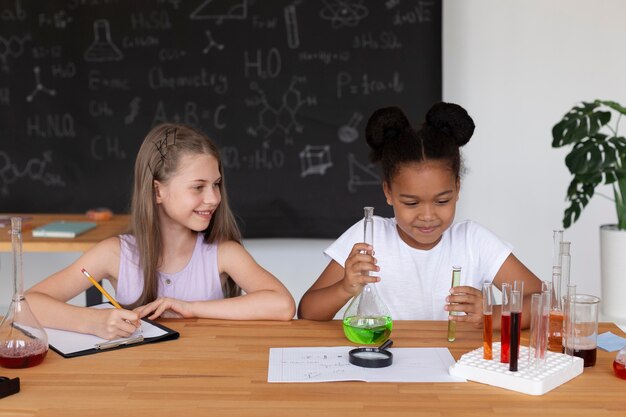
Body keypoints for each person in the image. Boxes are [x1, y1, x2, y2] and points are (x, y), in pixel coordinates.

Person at [26, 123, 296, 340]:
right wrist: (93, 321)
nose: (214, 198)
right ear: (158, 191)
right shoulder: (115, 253)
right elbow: (26, 305)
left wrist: (189, 308)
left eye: (216, 184)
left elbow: (283, 305)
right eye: (198, 187)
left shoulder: (223, 253)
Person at [297, 103, 541, 329]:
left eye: (442, 201)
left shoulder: (474, 241)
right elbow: (307, 310)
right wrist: (344, 288)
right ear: (388, 192)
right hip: (387, 367)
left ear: (457, 188)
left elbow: (545, 301)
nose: (427, 215)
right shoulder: (368, 236)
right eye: (411, 203)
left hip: (455, 368)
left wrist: (492, 313)